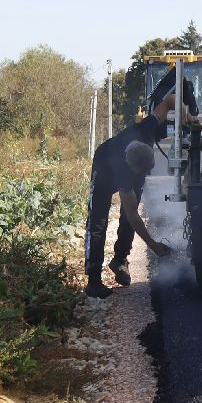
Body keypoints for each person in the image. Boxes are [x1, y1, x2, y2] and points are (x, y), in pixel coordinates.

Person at [84, 91, 180, 298]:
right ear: (133, 169)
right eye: (143, 174)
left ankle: (119, 261)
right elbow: (134, 217)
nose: (145, 176)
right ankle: (93, 281)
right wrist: (153, 245)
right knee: (98, 223)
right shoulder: (123, 172)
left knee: (128, 218)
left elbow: (170, 100)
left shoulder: (145, 129)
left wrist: (186, 115)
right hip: (104, 169)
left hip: (131, 165)